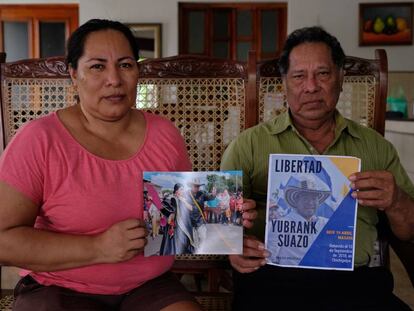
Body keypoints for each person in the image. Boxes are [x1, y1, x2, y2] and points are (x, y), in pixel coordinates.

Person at [0, 19, 201, 311]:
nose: (114, 80)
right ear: (74, 74)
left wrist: (225, 219)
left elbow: (183, 218)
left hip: (150, 287)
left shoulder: (164, 133)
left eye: (126, 65)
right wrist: (98, 248)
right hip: (60, 287)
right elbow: (3, 242)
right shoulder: (39, 139)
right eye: (97, 66)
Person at [221, 26, 414, 310]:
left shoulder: (375, 147)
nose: (311, 86)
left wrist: (396, 200)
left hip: (355, 283)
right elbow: (218, 226)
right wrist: (232, 248)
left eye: (322, 74)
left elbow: (408, 231)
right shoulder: (248, 145)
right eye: (299, 76)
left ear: (340, 78)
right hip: (274, 281)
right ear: (284, 83)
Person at [270, 177, 330, 265]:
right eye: (305, 198)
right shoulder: (281, 224)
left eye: (314, 199)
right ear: (296, 201)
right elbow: (270, 258)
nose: (310, 202)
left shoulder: (324, 223)